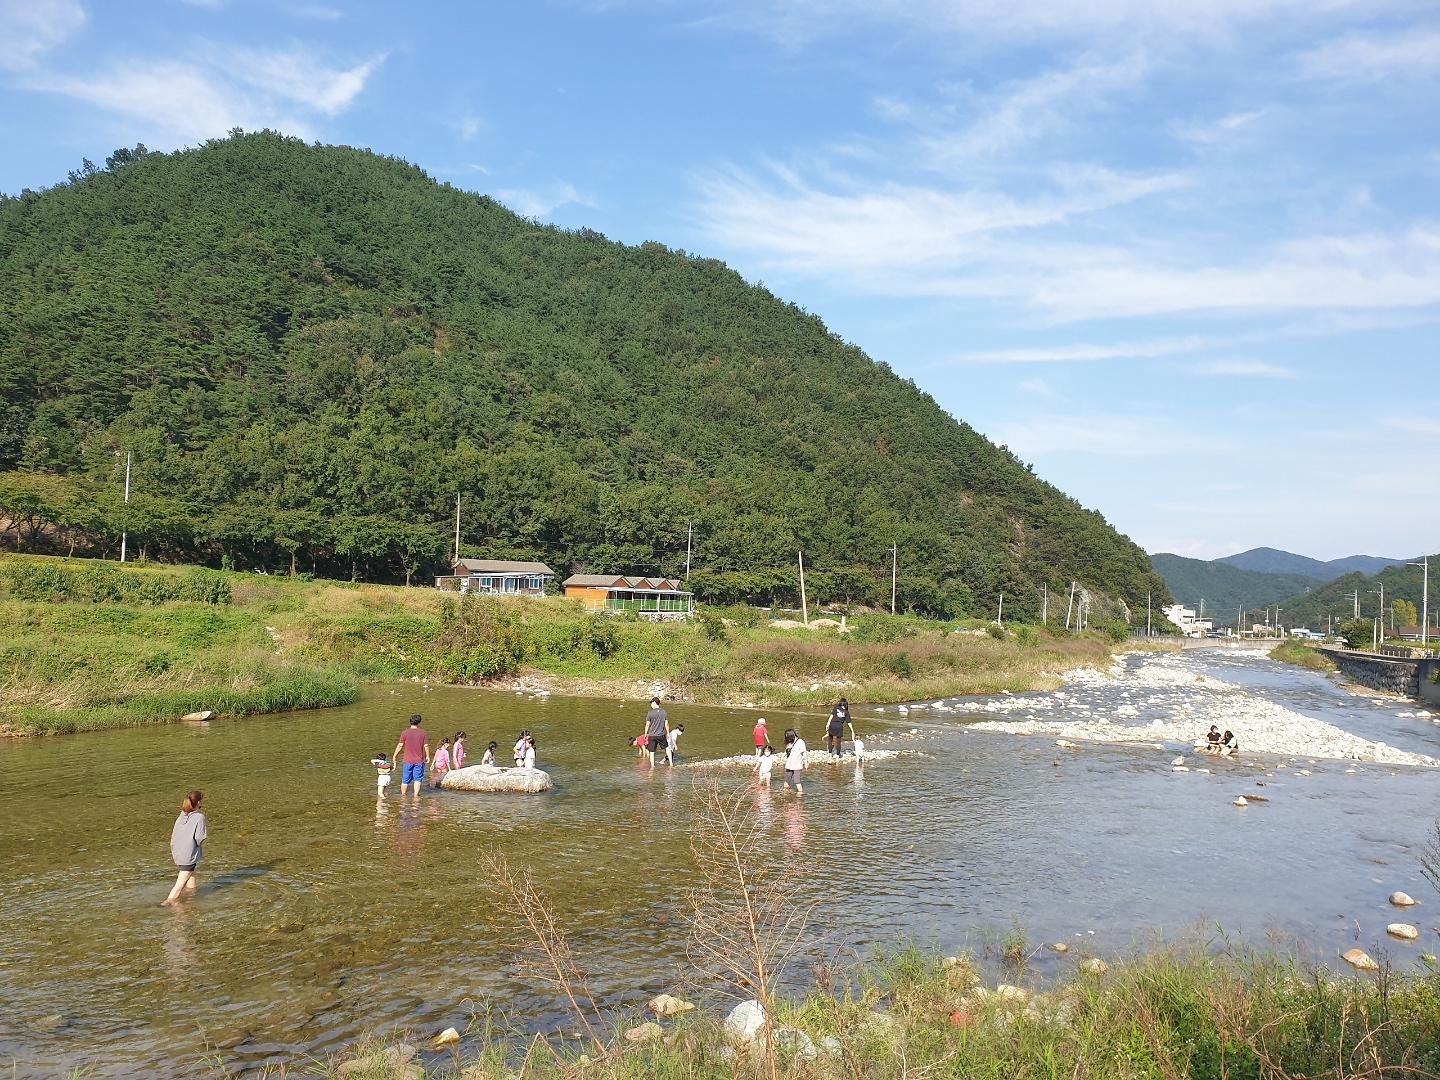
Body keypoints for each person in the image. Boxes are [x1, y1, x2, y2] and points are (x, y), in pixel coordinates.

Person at [163, 790, 207, 905]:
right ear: (198, 802)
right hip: (189, 855)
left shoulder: (181, 816)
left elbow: (174, 836)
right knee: (178, 886)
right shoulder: (199, 817)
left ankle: (190, 900)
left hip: (177, 853)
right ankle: (166, 904)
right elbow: (199, 838)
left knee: (191, 876)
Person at [392, 714, 430, 796]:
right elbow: (426, 746)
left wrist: (394, 756)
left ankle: (403, 796)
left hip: (407, 760)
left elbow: (400, 745)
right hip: (419, 760)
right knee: (417, 779)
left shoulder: (405, 733)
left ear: (410, 722)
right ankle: (416, 797)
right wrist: (427, 756)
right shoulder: (423, 733)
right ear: (419, 722)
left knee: (405, 779)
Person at [644, 697, 669, 769]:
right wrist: (667, 733)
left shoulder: (650, 712)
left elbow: (647, 724)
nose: (651, 705)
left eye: (651, 703)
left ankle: (652, 766)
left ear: (654, 703)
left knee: (652, 751)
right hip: (661, 734)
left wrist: (645, 733)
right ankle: (671, 763)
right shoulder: (664, 712)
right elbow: (666, 724)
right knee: (666, 748)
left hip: (652, 735)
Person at [783, 728, 807, 796]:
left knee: (797, 781)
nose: (787, 739)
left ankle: (799, 797)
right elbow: (787, 753)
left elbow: (804, 753)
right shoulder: (789, 742)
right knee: (786, 781)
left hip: (797, 765)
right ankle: (786, 797)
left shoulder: (800, 742)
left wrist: (806, 763)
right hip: (789, 764)